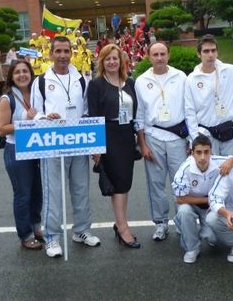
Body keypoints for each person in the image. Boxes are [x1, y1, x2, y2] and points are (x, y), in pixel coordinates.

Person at [30, 36, 100, 258]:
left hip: (77, 142)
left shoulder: (81, 79)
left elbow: (88, 110)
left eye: (66, 51)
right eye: (58, 51)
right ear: (50, 54)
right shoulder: (40, 81)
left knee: (80, 190)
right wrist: (45, 117)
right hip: (52, 144)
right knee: (53, 193)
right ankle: (52, 237)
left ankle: (81, 230)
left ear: (72, 53)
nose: (62, 55)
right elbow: (34, 113)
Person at [87, 44, 140, 249]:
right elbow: (93, 117)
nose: (111, 62)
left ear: (121, 61)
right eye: (107, 59)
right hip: (108, 136)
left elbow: (136, 112)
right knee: (117, 185)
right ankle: (123, 227)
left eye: (115, 58)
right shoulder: (97, 85)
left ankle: (121, 223)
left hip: (126, 136)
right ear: (102, 61)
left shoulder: (130, 83)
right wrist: (96, 147)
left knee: (125, 183)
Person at [135, 41, 188, 241]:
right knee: (156, 183)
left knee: (180, 182)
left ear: (168, 55)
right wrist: (143, 143)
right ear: (149, 57)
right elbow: (139, 115)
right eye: (155, 54)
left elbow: (188, 108)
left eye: (162, 54)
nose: (159, 58)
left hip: (177, 137)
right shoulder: (142, 80)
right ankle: (160, 223)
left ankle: (183, 221)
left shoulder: (180, 77)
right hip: (153, 136)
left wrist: (190, 139)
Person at [0, 59, 43, 250]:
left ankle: (36, 227)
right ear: (12, 77)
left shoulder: (36, 95)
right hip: (16, 149)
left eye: (25, 71)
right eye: (17, 72)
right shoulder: (8, 99)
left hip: (36, 148)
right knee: (23, 194)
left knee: (37, 192)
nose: (22, 75)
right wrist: (27, 123)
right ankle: (25, 234)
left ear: (31, 73)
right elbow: (1, 128)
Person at [172, 135, 233, 263]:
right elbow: (179, 199)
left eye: (206, 152)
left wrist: (232, 160)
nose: (203, 157)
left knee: (213, 239)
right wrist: (207, 200)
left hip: (211, 208)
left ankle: (203, 232)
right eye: (199, 152)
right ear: (192, 153)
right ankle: (192, 248)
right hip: (192, 205)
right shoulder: (185, 169)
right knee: (183, 212)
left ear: (211, 152)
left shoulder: (218, 162)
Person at [185, 34, 233, 156]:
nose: (210, 54)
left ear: (217, 52)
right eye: (206, 51)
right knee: (210, 172)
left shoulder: (230, 71)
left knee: (229, 171)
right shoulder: (191, 79)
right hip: (205, 135)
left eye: (213, 50)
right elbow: (189, 112)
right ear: (199, 54)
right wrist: (195, 139)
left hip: (227, 133)